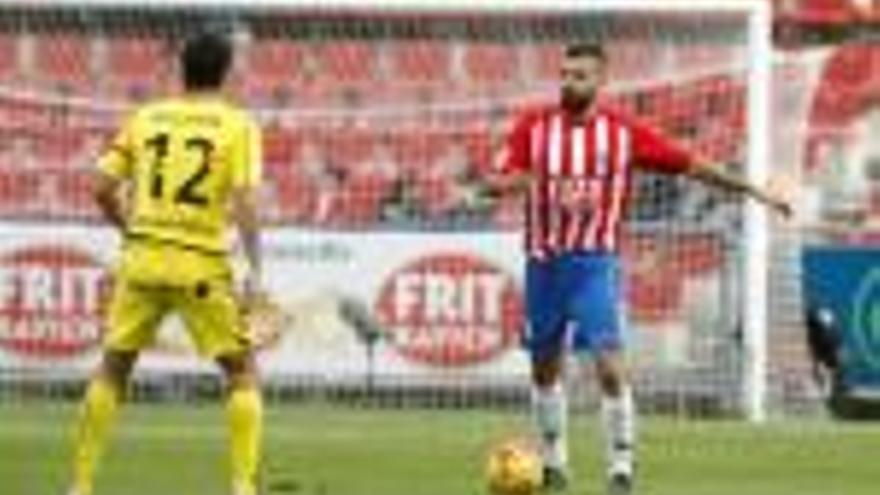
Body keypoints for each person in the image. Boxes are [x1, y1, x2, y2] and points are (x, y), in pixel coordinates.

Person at [482, 43, 790, 495]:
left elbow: (692, 165)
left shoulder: (624, 133)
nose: (569, 82)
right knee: (544, 370)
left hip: (593, 264)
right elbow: (501, 177)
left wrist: (755, 190)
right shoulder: (534, 127)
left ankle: (621, 469)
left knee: (609, 365)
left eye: (580, 75)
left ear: (601, 81)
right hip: (543, 264)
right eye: (565, 74)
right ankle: (553, 464)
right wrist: (504, 184)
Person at [67, 32, 264, 495]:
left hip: (142, 260)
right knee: (241, 372)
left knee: (113, 368)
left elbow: (99, 187)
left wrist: (129, 229)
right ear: (227, 71)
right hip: (200, 262)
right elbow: (246, 201)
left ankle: (80, 485)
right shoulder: (238, 125)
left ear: (182, 68)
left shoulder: (147, 116)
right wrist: (256, 267)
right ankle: (241, 487)